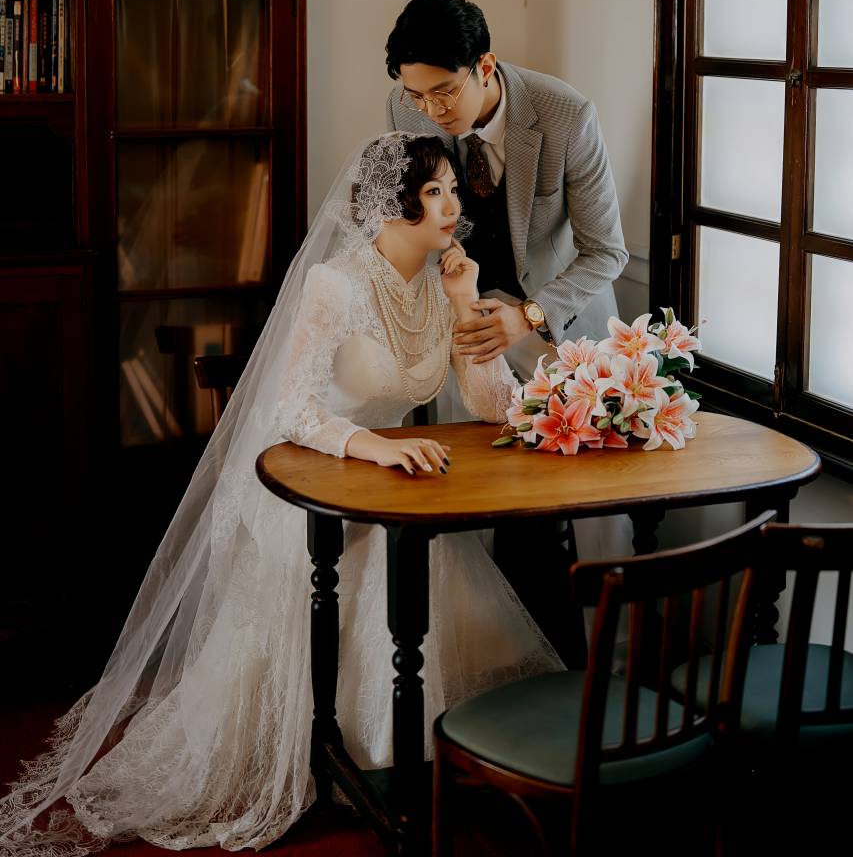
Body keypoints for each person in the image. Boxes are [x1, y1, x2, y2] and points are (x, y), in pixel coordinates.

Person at [0, 133, 560, 856]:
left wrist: (462, 303)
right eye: (433, 192)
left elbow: (491, 408)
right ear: (392, 203)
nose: (452, 205)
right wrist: (373, 445)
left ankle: (406, 755)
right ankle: (345, 756)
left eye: (453, 189)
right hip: (314, 477)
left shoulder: (438, 283)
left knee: (418, 555)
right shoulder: (334, 285)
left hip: (396, 484)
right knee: (379, 563)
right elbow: (291, 409)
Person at [385, 0, 628, 382]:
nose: (431, 111)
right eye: (417, 96)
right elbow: (412, 215)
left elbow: (606, 252)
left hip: (558, 331)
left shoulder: (567, 115)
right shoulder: (404, 111)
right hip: (461, 328)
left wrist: (529, 315)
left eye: (444, 92)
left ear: (484, 67)